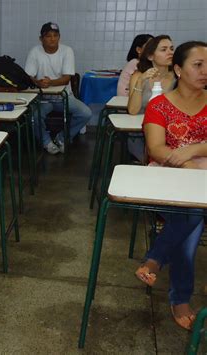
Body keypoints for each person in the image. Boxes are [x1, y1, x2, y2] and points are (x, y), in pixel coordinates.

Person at [137, 41, 207, 330]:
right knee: (191, 215)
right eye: (198, 64)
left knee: (190, 217)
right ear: (178, 69)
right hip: (168, 178)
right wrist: (190, 165)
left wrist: (193, 149)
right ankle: (179, 298)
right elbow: (156, 148)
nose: (205, 71)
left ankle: (155, 260)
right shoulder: (159, 104)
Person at [24, 22, 92, 155]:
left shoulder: (67, 51)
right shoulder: (35, 51)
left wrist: (50, 83)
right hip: (43, 98)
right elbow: (28, 76)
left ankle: (62, 138)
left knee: (86, 113)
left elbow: (67, 78)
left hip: (64, 97)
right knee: (33, 116)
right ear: (41, 39)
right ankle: (47, 142)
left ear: (59, 37)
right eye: (48, 36)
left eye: (55, 35)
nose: (52, 39)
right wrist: (37, 82)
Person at [127, 35, 176, 162]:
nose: (170, 52)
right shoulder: (138, 76)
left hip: (171, 132)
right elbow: (133, 110)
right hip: (140, 134)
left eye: (171, 48)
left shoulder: (178, 77)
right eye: (164, 49)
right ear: (150, 56)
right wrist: (140, 82)